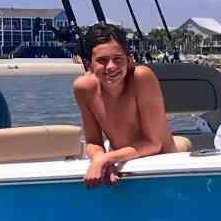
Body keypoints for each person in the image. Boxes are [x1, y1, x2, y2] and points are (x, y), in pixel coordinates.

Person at [73, 23, 176, 187]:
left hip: (163, 166)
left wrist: (107, 159)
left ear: (129, 60)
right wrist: (101, 159)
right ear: (88, 64)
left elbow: (153, 144)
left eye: (118, 59)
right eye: (102, 60)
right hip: (125, 160)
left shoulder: (141, 77)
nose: (111, 66)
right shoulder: (83, 88)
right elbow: (93, 141)